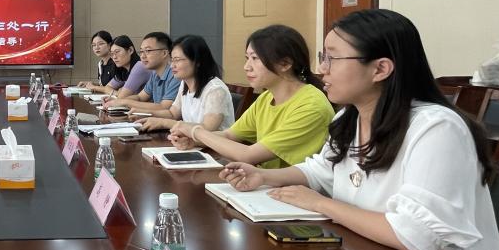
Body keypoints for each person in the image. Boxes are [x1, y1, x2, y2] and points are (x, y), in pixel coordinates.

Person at [221, 10, 499, 250]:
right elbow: (322, 171)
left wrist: (320, 204)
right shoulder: (349, 117)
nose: (322, 68)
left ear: (380, 69)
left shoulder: (437, 129)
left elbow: (415, 236)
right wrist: (263, 176)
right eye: (323, 57)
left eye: (332, 58)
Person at [170, 24, 333, 168]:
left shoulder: (311, 106)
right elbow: (230, 135)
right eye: (247, 58)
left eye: (255, 58)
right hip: (265, 184)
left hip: (294, 190)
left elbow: (248, 155)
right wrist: (194, 140)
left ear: (285, 64)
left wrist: (196, 132)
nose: (246, 67)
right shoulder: (266, 98)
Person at [137, 35, 234, 133]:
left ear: (197, 61)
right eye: (172, 60)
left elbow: (207, 128)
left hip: (211, 143)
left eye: (177, 60)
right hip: (190, 141)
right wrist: (143, 114)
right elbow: (172, 114)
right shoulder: (185, 83)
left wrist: (164, 123)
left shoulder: (216, 90)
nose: (172, 66)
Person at [103, 32, 181, 112]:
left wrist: (125, 102)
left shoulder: (176, 75)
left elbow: (164, 107)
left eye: (148, 51)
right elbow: (140, 97)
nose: (143, 56)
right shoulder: (155, 74)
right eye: (141, 51)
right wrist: (118, 101)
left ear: (164, 53)